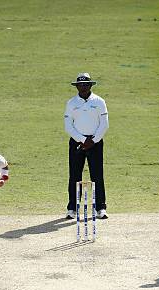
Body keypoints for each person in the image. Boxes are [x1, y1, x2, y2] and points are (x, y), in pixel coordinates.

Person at [64, 73, 109, 220]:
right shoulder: (71, 103)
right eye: (80, 85)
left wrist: (93, 140)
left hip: (95, 143)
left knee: (97, 175)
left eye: (86, 84)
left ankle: (100, 208)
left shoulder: (99, 101)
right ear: (77, 86)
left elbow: (104, 124)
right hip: (77, 143)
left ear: (90, 85)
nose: (83, 87)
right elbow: (68, 126)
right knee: (74, 176)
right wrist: (82, 140)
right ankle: (72, 208)